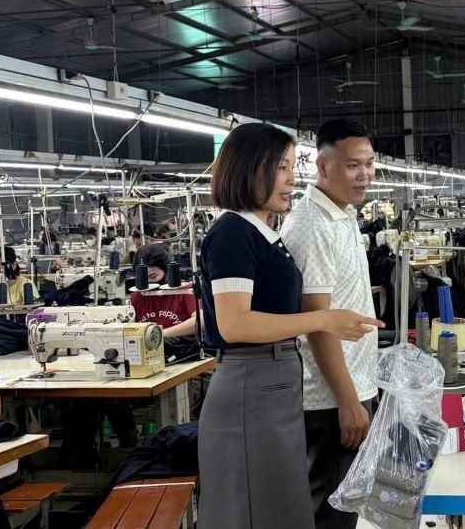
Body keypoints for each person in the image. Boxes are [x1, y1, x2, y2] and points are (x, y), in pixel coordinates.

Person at [198, 122, 382, 528]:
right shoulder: (232, 232)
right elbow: (233, 324)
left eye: (289, 167)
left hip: (273, 381)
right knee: (253, 509)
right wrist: (323, 319)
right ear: (252, 169)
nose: (291, 179)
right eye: (281, 168)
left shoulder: (261, 232)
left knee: (281, 510)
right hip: (253, 385)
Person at [280, 119, 382, 529]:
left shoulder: (343, 214)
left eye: (370, 164)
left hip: (353, 386)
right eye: (353, 166)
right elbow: (317, 324)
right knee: (330, 512)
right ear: (322, 167)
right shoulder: (312, 225)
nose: (365, 175)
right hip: (329, 400)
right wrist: (348, 401)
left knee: (347, 507)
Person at [129, 244, 197, 338]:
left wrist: (159, 334)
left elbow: (200, 320)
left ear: (165, 268)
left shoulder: (186, 291)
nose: (149, 281)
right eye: (144, 276)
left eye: (153, 276)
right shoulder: (137, 296)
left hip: (181, 348)